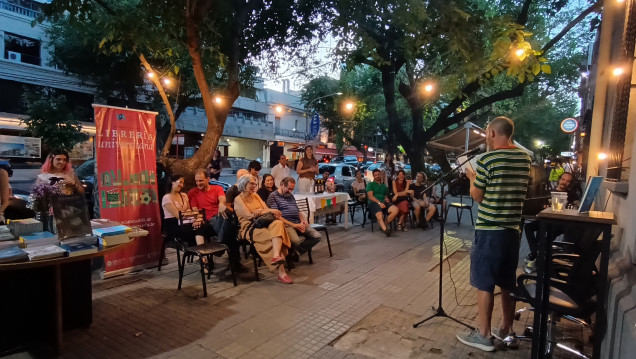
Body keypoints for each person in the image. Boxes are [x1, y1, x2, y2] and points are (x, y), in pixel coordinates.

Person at [456, 116, 531, 352]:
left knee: (484, 283)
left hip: (489, 229)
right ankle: (507, 330)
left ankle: (484, 335)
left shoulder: (488, 159)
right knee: (507, 282)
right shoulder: (524, 158)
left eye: (487, 133)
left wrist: (471, 179)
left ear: (491, 133)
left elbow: (478, 196)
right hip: (512, 231)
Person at [234, 174, 293, 284]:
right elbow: (249, 216)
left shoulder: (256, 196)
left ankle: (276, 256)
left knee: (278, 224)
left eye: (255, 184)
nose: (254, 186)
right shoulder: (238, 199)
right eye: (251, 183)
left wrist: (260, 211)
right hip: (250, 228)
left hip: (263, 223)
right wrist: (261, 211)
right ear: (244, 183)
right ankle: (282, 273)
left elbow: (267, 210)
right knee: (274, 238)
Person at [187, 169, 244, 272]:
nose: (198, 183)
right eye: (196, 181)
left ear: (208, 179)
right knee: (231, 230)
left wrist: (222, 205)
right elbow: (195, 210)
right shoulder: (193, 193)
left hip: (219, 219)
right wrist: (198, 219)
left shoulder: (217, 188)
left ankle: (221, 241)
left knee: (229, 218)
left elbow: (222, 199)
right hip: (207, 222)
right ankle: (234, 263)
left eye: (201, 180)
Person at [523, 172, 579, 272]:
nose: (564, 182)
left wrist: (575, 203)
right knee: (528, 227)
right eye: (563, 179)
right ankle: (536, 253)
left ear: (570, 184)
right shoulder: (548, 193)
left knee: (549, 232)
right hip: (546, 220)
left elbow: (577, 204)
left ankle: (538, 256)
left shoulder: (571, 194)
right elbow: (539, 207)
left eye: (568, 181)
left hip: (560, 223)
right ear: (559, 179)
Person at [267, 177, 321, 265]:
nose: (291, 191)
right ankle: (290, 255)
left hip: (297, 222)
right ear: (282, 185)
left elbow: (297, 211)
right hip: (286, 225)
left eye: (292, 189)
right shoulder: (273, 196)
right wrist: (294, 225)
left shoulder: (290, 195)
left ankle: (295, 253)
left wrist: (303, 221)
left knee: (316, 236)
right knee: (295, 241)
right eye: (289, 189)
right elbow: (277, 217)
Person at [161, 174, 205, 247]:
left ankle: (199, 253)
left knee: (199, 226)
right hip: (173, 224)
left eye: (183, 183)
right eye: (180, 182)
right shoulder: (167, 198)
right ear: (172, 182)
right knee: (197, 229)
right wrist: (189, 215)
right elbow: (178, 215)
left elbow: (189, 211)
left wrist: (194, 220)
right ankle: (200, 253)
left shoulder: (184, 195)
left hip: (186, 222)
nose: (182, 185)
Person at [366, 168, 399, 237]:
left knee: (395, 210)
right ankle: (385, 230)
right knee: (380, 214)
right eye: (375, 175)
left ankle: (383, 224)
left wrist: (386, 198)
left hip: (383, 202)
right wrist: (379, 203)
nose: (377, 176)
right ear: (373, 176)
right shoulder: (370, 184)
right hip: (373, 202)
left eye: (378, 174)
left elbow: (386, 195)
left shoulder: (384, 186)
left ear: (380, 175)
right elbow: (370, 196)